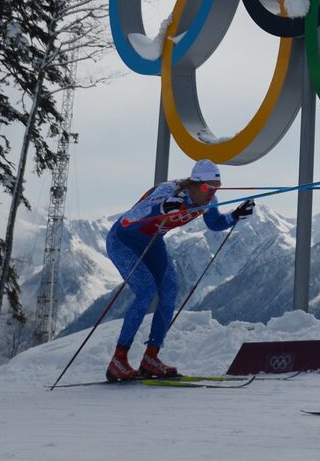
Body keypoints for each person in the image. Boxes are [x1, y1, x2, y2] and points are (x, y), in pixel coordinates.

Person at [104, 158, 254, 380]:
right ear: (193, 184)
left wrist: (235, 216)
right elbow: (129, 219)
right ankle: (119, 359)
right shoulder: (168, 190)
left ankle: (151, 357)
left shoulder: (208, 200)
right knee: (146, 291)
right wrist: (162, 207)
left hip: (152, 241)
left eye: (216, 188)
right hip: (123, 241)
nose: (211, 193)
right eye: (206, 188)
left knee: (170, 290)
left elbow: (214, 224)